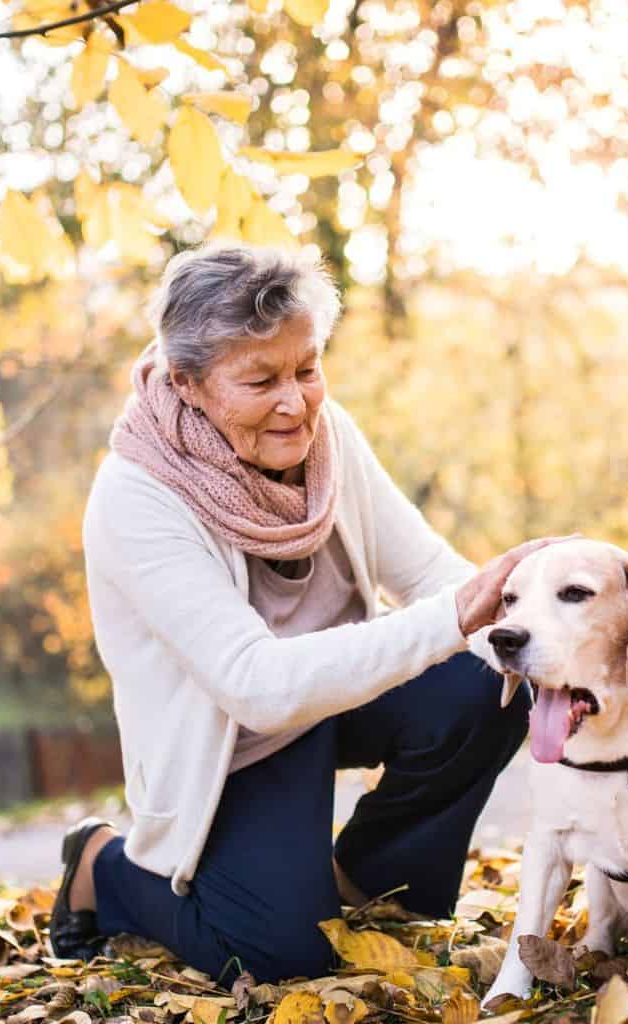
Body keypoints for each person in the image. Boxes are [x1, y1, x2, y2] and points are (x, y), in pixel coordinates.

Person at [59, 242, 547, 983]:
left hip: (336, 693)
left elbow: (424, 573)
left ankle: (363, 885)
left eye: (306, 369)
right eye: (260, 380)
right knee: (276, 958)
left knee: (494, 679)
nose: (295, 402)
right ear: (187, 382)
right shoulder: (137, 498)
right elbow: (255, 686)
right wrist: (453, 617)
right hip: (232, 743)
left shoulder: (325, 436)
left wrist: (535, 631)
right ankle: (106, 868)